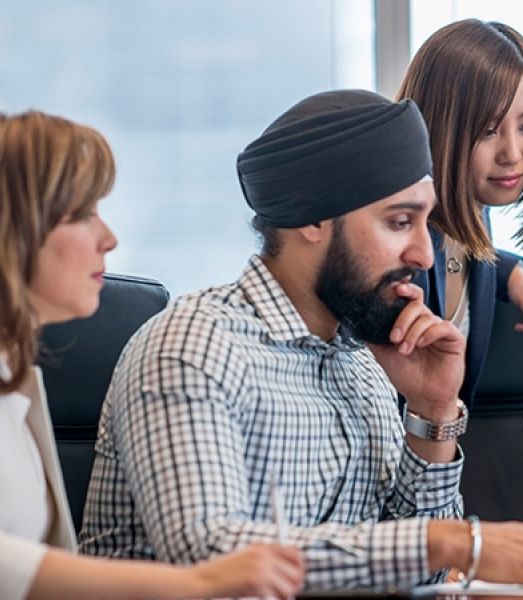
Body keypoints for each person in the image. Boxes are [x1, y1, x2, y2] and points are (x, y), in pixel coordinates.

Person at [78, 90, 523, 590]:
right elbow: (213, 555)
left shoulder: (364, 365)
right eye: (399, 222)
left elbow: (427, 575)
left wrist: (433, 413)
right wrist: (449, 542)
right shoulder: (193, 347)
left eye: (423, 222)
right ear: (312, 219)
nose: (424, 255)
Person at [0, 110, 304, 599]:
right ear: (13, 231)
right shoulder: (184, 346)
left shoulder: (14, 375)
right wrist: (201, 581)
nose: (109, 238)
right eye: (81, 214)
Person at [396, 19, 523, 403]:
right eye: (487, 131)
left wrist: (510, 272)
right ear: (439, 127)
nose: (513, 154)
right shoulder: (397, 253)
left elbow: (456, 244)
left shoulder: (471, 207)